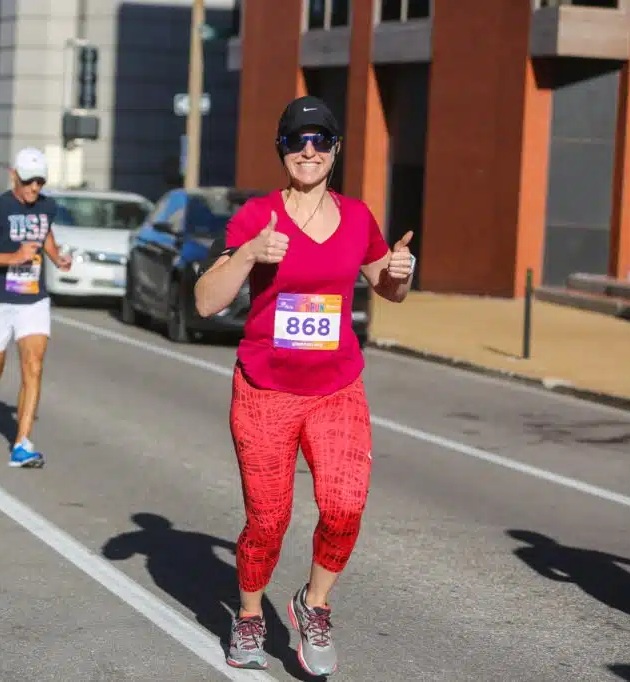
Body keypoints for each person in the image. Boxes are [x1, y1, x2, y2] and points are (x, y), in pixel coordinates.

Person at [194, 95, 416, 675]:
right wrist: (248, 254)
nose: (309, 151)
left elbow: (387, 288)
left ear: (336, 149)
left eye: (320, 140)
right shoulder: (257, 216)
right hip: (265, 389)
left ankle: (313, 604)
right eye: (297, 140)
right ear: (282, 150)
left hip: (337, 388)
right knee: (268, 519)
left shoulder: (358, 218)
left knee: (345, 506)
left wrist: (400, 274)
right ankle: (249, 615)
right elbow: (206, 301)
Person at [0, 147, 72, 467]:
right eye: (28, 181)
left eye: (40, 182)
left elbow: (44, 232)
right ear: (14, 177)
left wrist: (56, 257)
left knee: (33, 366)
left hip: (32, 299)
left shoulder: (47, 207)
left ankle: (22, 444)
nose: (34, 188)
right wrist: (13, 257)